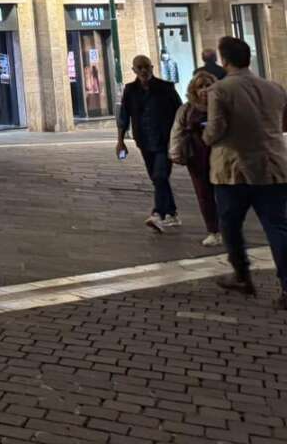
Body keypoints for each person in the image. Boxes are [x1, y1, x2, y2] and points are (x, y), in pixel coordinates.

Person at [203, 35, 287, 307]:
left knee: (230, 225)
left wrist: (204, 136)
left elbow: (215, 130)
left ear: (224, 60)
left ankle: (242, 274)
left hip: (234, 169)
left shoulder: (221, 89)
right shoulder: (274, 88)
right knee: (277, 227)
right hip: (273, 166)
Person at [117, 54, 183, 233]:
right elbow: (124, 115)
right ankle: (172, 212)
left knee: (160, 175)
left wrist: (179, 137)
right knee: (156, 178)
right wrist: (120, 141)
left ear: (152, 67)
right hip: (144, 141)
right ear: (134, 70)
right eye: (139, 67)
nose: (144, 70)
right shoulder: (130, 90)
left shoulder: (166, 88)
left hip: (164, 141)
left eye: (146, 66)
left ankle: (157, 213)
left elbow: (180, 113)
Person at [170, 71, 221, 246]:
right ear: (194, 90)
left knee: (224, 194)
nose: (205, 90)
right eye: (200, 87)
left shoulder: (222, 106)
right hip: (197, 156)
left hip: (221, 155)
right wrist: (176, 154)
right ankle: (213, 230)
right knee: (204, 194)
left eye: (208, 85)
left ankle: (226, 228)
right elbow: (177, 132)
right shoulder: (187, 109)